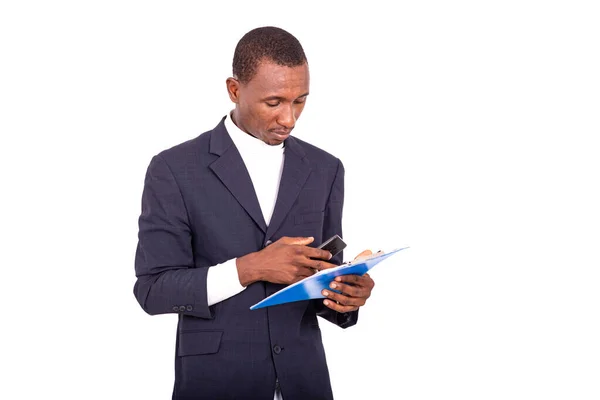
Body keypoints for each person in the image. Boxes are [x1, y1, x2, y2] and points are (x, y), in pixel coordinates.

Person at [133, 26, 376, 400]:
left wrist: (344, 293)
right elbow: (152, 290)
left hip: (305, 382)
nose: (290, 119)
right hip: (217, 383)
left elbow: (321, 277)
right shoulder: (175, 169)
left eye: (301, 101)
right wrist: (252, 267)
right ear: (234, 90)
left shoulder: (326, 168)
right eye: (274, 102)